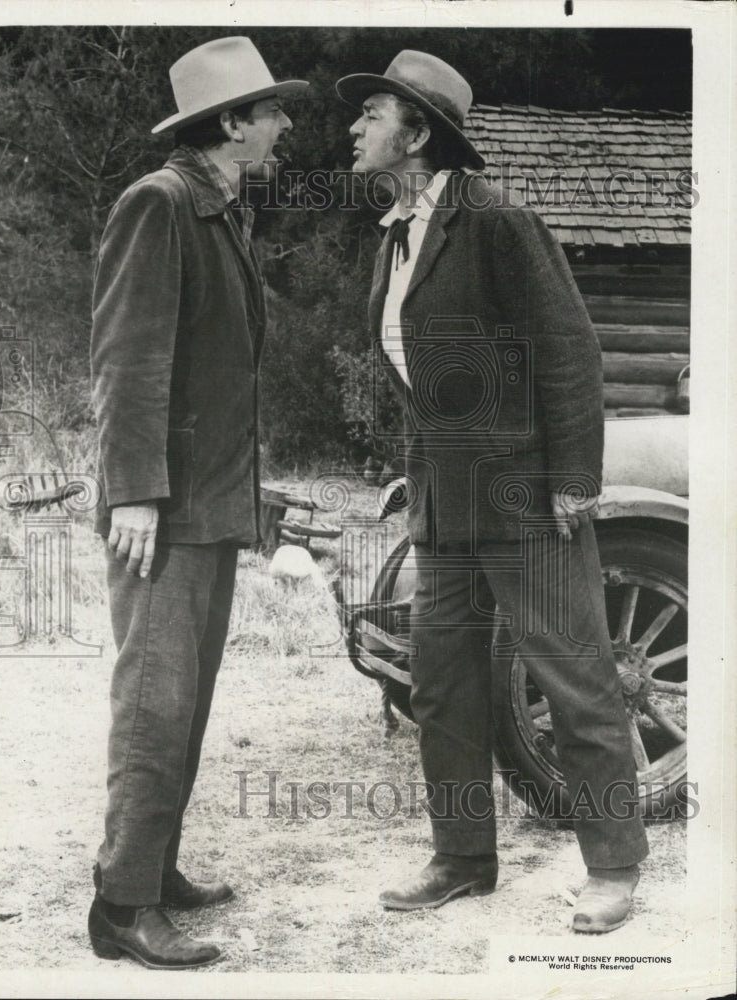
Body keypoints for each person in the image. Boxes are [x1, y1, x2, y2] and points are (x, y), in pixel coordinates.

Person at [337, 50, 649, 933]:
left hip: (524, 495)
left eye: (372, 115)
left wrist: (573, 482)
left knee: (574, 678)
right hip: (447, 502)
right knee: (442, 684)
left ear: (418, 131)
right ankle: (462, 857)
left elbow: (568, 352)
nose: (355, 128)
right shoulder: (395, 233)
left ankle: (615, 867)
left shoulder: (497, 220)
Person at [88, 37, 307, 968]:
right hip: (165, 513)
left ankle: (153, 866)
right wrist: (133, 493)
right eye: (270, 111)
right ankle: (122, 909)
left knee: (186, 701)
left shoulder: (219, 213)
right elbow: (127, 359)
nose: (284, 124)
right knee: (154, 702)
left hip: (208, 507)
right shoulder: (161, 203)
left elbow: (215, 377)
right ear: (231, 124)